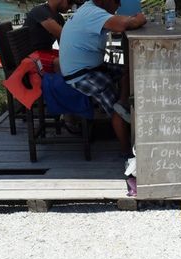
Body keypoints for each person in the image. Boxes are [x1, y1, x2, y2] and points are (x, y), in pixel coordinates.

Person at [59, 0, 146, 154]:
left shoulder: (90, 9)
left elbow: (117, 29)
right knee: (115, 106)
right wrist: (138, 19)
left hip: (90, 65)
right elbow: (121, 25)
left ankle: (125, 99)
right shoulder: (91, 12)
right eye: (116, 1)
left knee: (124, 66)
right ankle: (126, 150)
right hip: (80, 74)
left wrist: (129, 22)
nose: (118, 5)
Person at [23, 0, 73, 72]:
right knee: (66, 63)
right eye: (70, 2)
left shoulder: (59, 18)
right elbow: (65, 36)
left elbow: (64, 45)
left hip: (46, 52)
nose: (70, 7)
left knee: (72, 59)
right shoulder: (40, 11)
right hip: (31, 56)